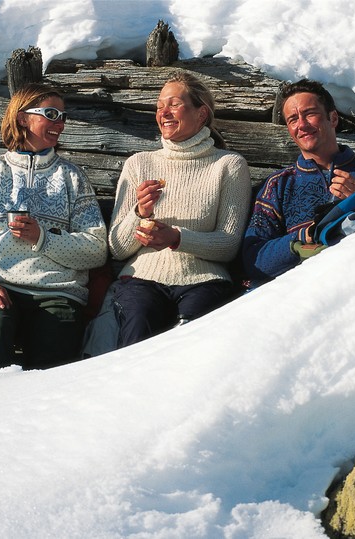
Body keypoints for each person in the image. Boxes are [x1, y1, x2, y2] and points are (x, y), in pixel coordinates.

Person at [0, 83, 108, 370]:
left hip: (58, 292)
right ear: (22, 117)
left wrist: (42, 237)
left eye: (62, 116)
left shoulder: (72, 178)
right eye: (50, 113)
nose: (59, 123)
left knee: (53, 369)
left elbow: (96, 250)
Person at [107, 71, 252, 347]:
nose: (164, 112)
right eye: (160, 106)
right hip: (141, 278)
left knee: (191, 339)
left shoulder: (229, 165)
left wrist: (176, 238)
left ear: (201, 114)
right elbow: (116, 248)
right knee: (137, 330)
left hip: (205, 279)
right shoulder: (139, 164)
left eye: (173, 104)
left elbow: (229, 243)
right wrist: (139, 214)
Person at [242, 78, 355, 288]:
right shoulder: (278, 185)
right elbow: (254, 259)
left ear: (333, 118)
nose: (302, 124)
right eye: (292, 119)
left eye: (310, 113)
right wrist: (302, 237)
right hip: (302, 293)